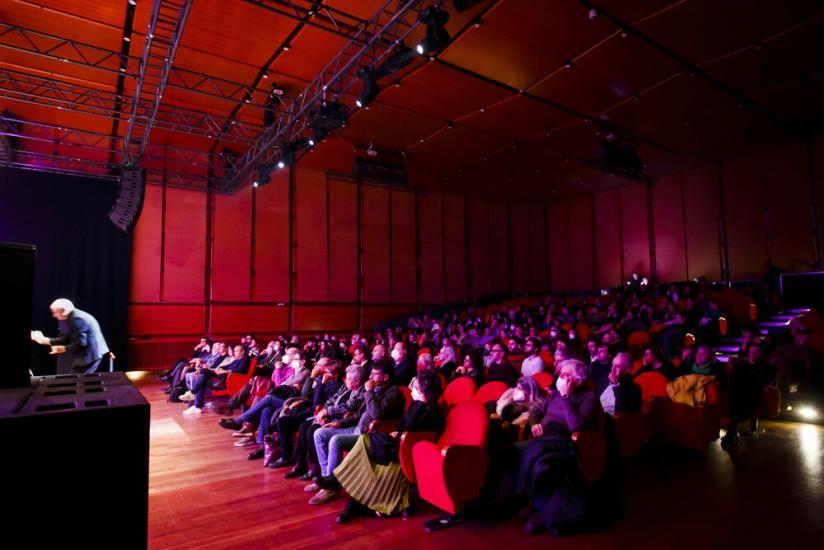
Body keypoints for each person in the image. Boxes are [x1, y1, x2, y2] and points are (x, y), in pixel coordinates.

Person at [333, 370, 445, 523]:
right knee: (365, 440)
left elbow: (412, 430)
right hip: (398, 445)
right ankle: (351, 501)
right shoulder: (418, 406)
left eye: (416, 387)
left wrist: (418, 404)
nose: (412, 389)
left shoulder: (431, 410)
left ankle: (338, 485)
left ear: (423, 391)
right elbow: (403, 426)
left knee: (366, 440)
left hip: (407, 453)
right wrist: (398, 432)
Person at [518, 359, 601, 536]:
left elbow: (575, 426)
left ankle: (540, 508)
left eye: (566, 375)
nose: (561, 377)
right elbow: (536, 412)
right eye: (561, 374)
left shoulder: (589, 397)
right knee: (507, 452)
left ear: (578, 379)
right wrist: (533, 424)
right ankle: (533, 500)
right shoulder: (554, 394)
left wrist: (565, 396)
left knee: (543, 465)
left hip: (564, 444)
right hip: (541, 440)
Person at [31, 298, 110, 374]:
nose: (53, 315)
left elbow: (81, 343)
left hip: (90, 355)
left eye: (54, 312)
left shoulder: (77, 319)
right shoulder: (73, 316)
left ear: (63, 311)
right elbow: (67, 339)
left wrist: (63, 348)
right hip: (90, 354)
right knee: (77, 379)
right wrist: (43, 340)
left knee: (75, 379)